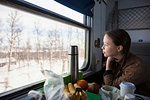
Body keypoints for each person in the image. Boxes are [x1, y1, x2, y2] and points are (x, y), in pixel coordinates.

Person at [101, 29, 150, 97]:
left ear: (119, 48)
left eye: (106, 44)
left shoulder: (137, 67)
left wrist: (108, 63)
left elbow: (111, 86)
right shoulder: (115, 59)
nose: (102, 47)